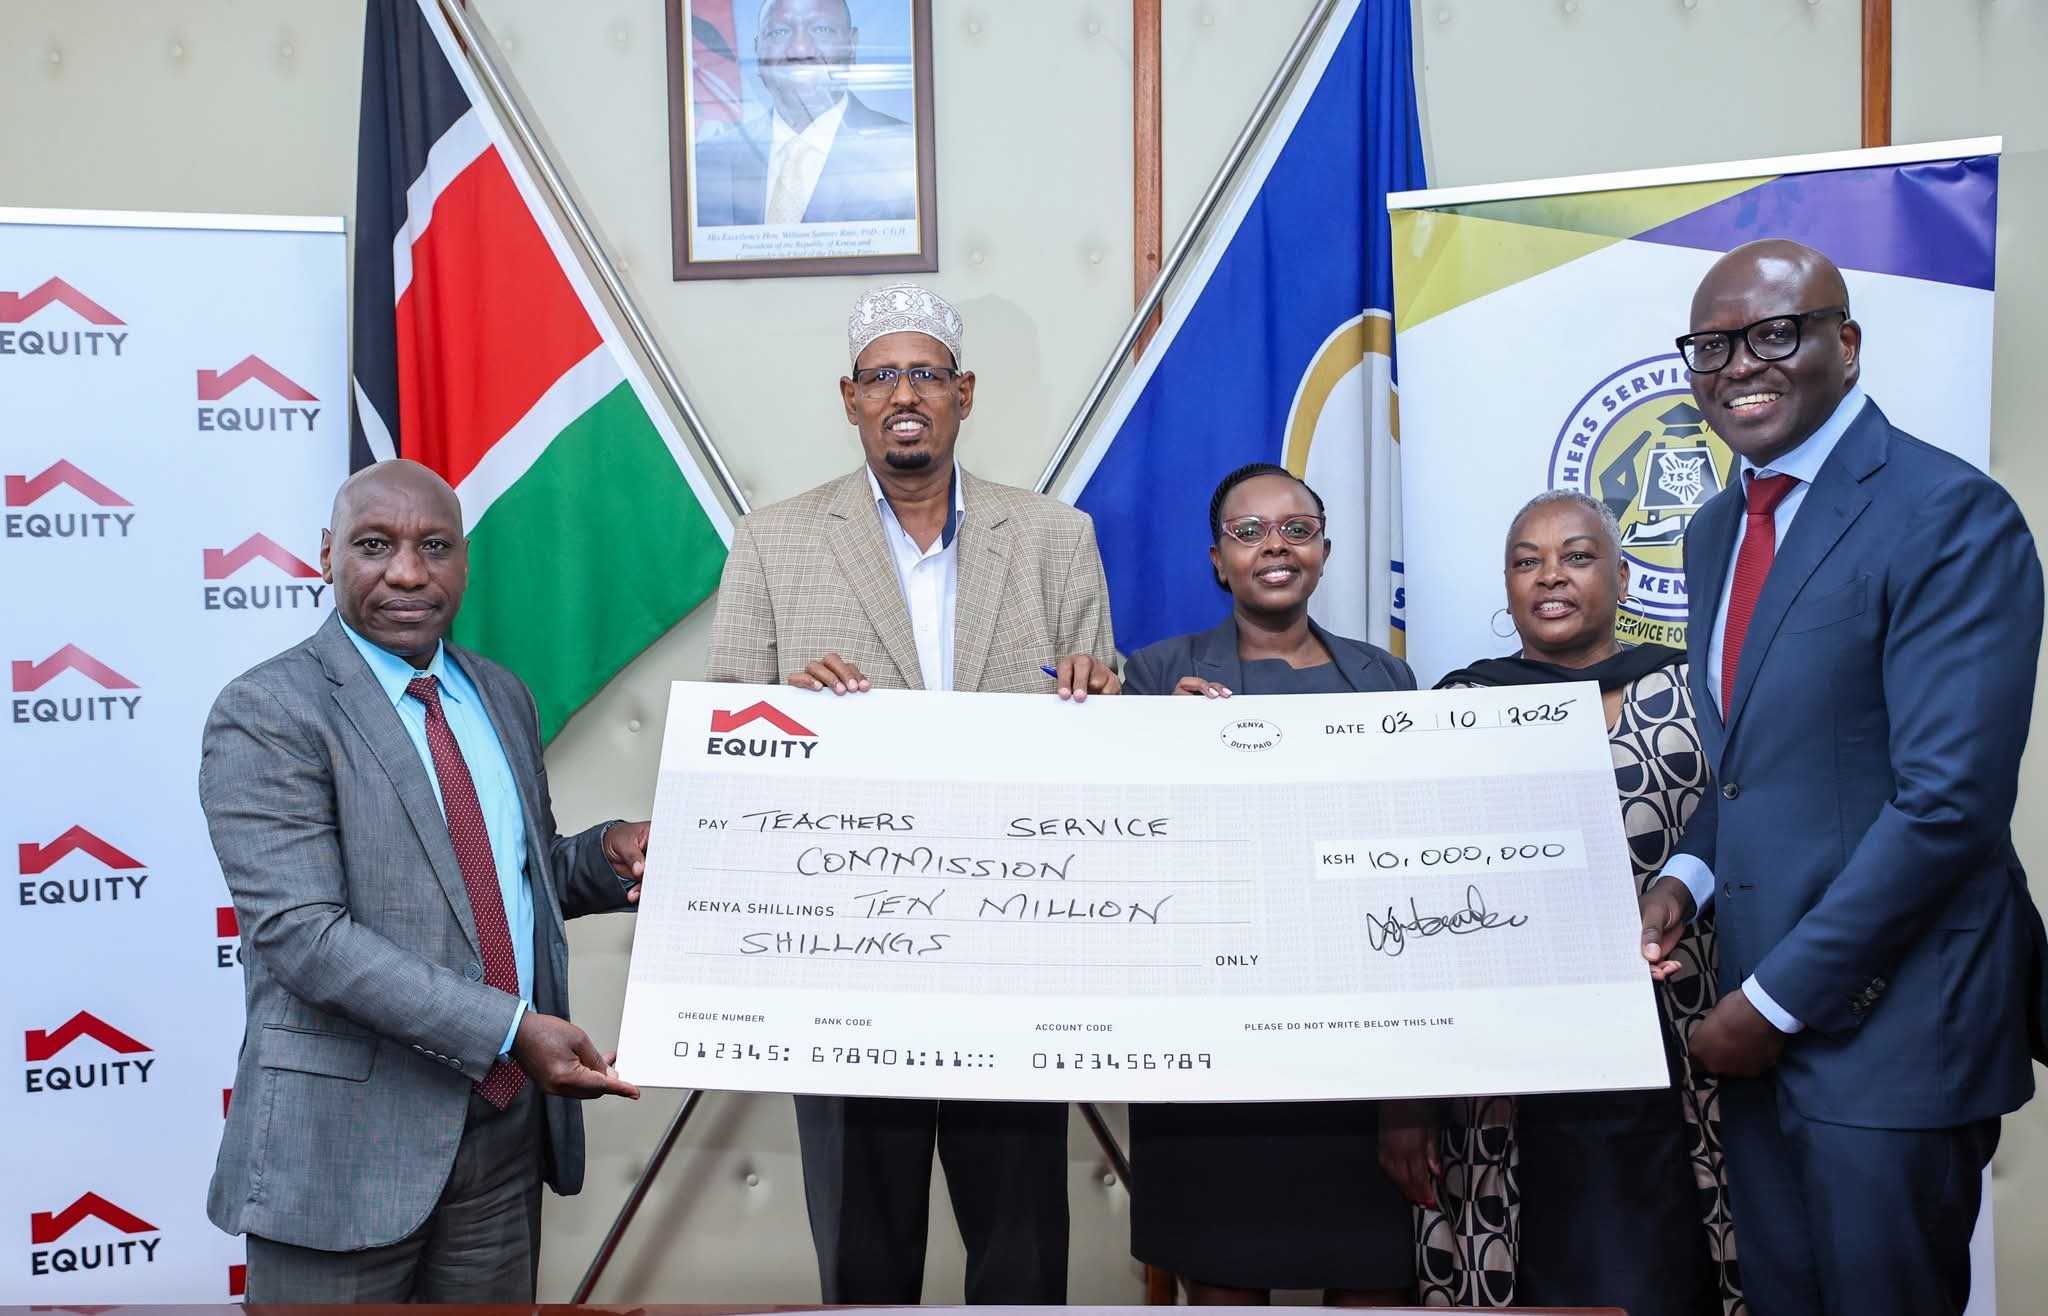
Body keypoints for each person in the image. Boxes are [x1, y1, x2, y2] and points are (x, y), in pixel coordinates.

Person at [1636, 239, 2045, 1316]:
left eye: (1772, 333)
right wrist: (1685, 874)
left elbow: (1946, 804)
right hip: (1759, 1036)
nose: (1737, 366)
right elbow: (1752, 770)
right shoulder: (1719, 527)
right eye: (1711, 345)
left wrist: (1769, 1003)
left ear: (1845, 344)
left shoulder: (1946, 514)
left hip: (1893, 1031)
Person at [704, 282, 1116, 1303]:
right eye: (880, 374)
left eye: (924, 373)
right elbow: (723, 742)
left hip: (1014, 962)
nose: (903, 392)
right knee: (865, 1260)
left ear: (962, 394)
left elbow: (1100, 744)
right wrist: (784, 716)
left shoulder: (1056, 536)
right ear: (848, 398)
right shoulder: (772, 540)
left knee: (1020, 1258)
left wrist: (1099, 701)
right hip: (844, 967)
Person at [200, 460, 653, 1303]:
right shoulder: (269, 710)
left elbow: (506, 876)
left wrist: (604, 856)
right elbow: (305, 937)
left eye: (434, 546)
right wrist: (511, 1028)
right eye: (375, 546)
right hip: (344, 1153)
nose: (408, 571)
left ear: (465, 561)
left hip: (501, 1144)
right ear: (326, 555)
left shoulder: (498, 695)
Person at [1402, 489, 1734, 1315]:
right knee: (1536, 1279)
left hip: (1681, 1063)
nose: (1550, 576)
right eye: (1526, 561)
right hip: (1505, 1085)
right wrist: (1399, 1098)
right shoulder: (1454, 711)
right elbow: (1406, 904)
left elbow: (1751, 836)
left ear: (1623, 579)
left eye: (1578, 556)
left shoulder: (1697, 696)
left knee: (1675, 1278)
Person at [1122, 461, 1417, 1306]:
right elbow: (1122, 858)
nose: (1275, 548)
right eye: (1248, 533)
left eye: (1296, 528)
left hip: (1361, 1057)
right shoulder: (1155, 679)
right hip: (1218, 1069)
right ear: (1219, 559)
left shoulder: (1387, 683)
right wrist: (1152, 745)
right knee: (1225, 1285)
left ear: (1324, 547)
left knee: (1375, 1278)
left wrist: (1411, 1099)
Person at [693, 0, 917, 227]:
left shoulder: (905, 153)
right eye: (779, 32)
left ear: (852, 45)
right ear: (757, 48)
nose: (800, 50)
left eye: (821, 30)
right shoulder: (705, 163)